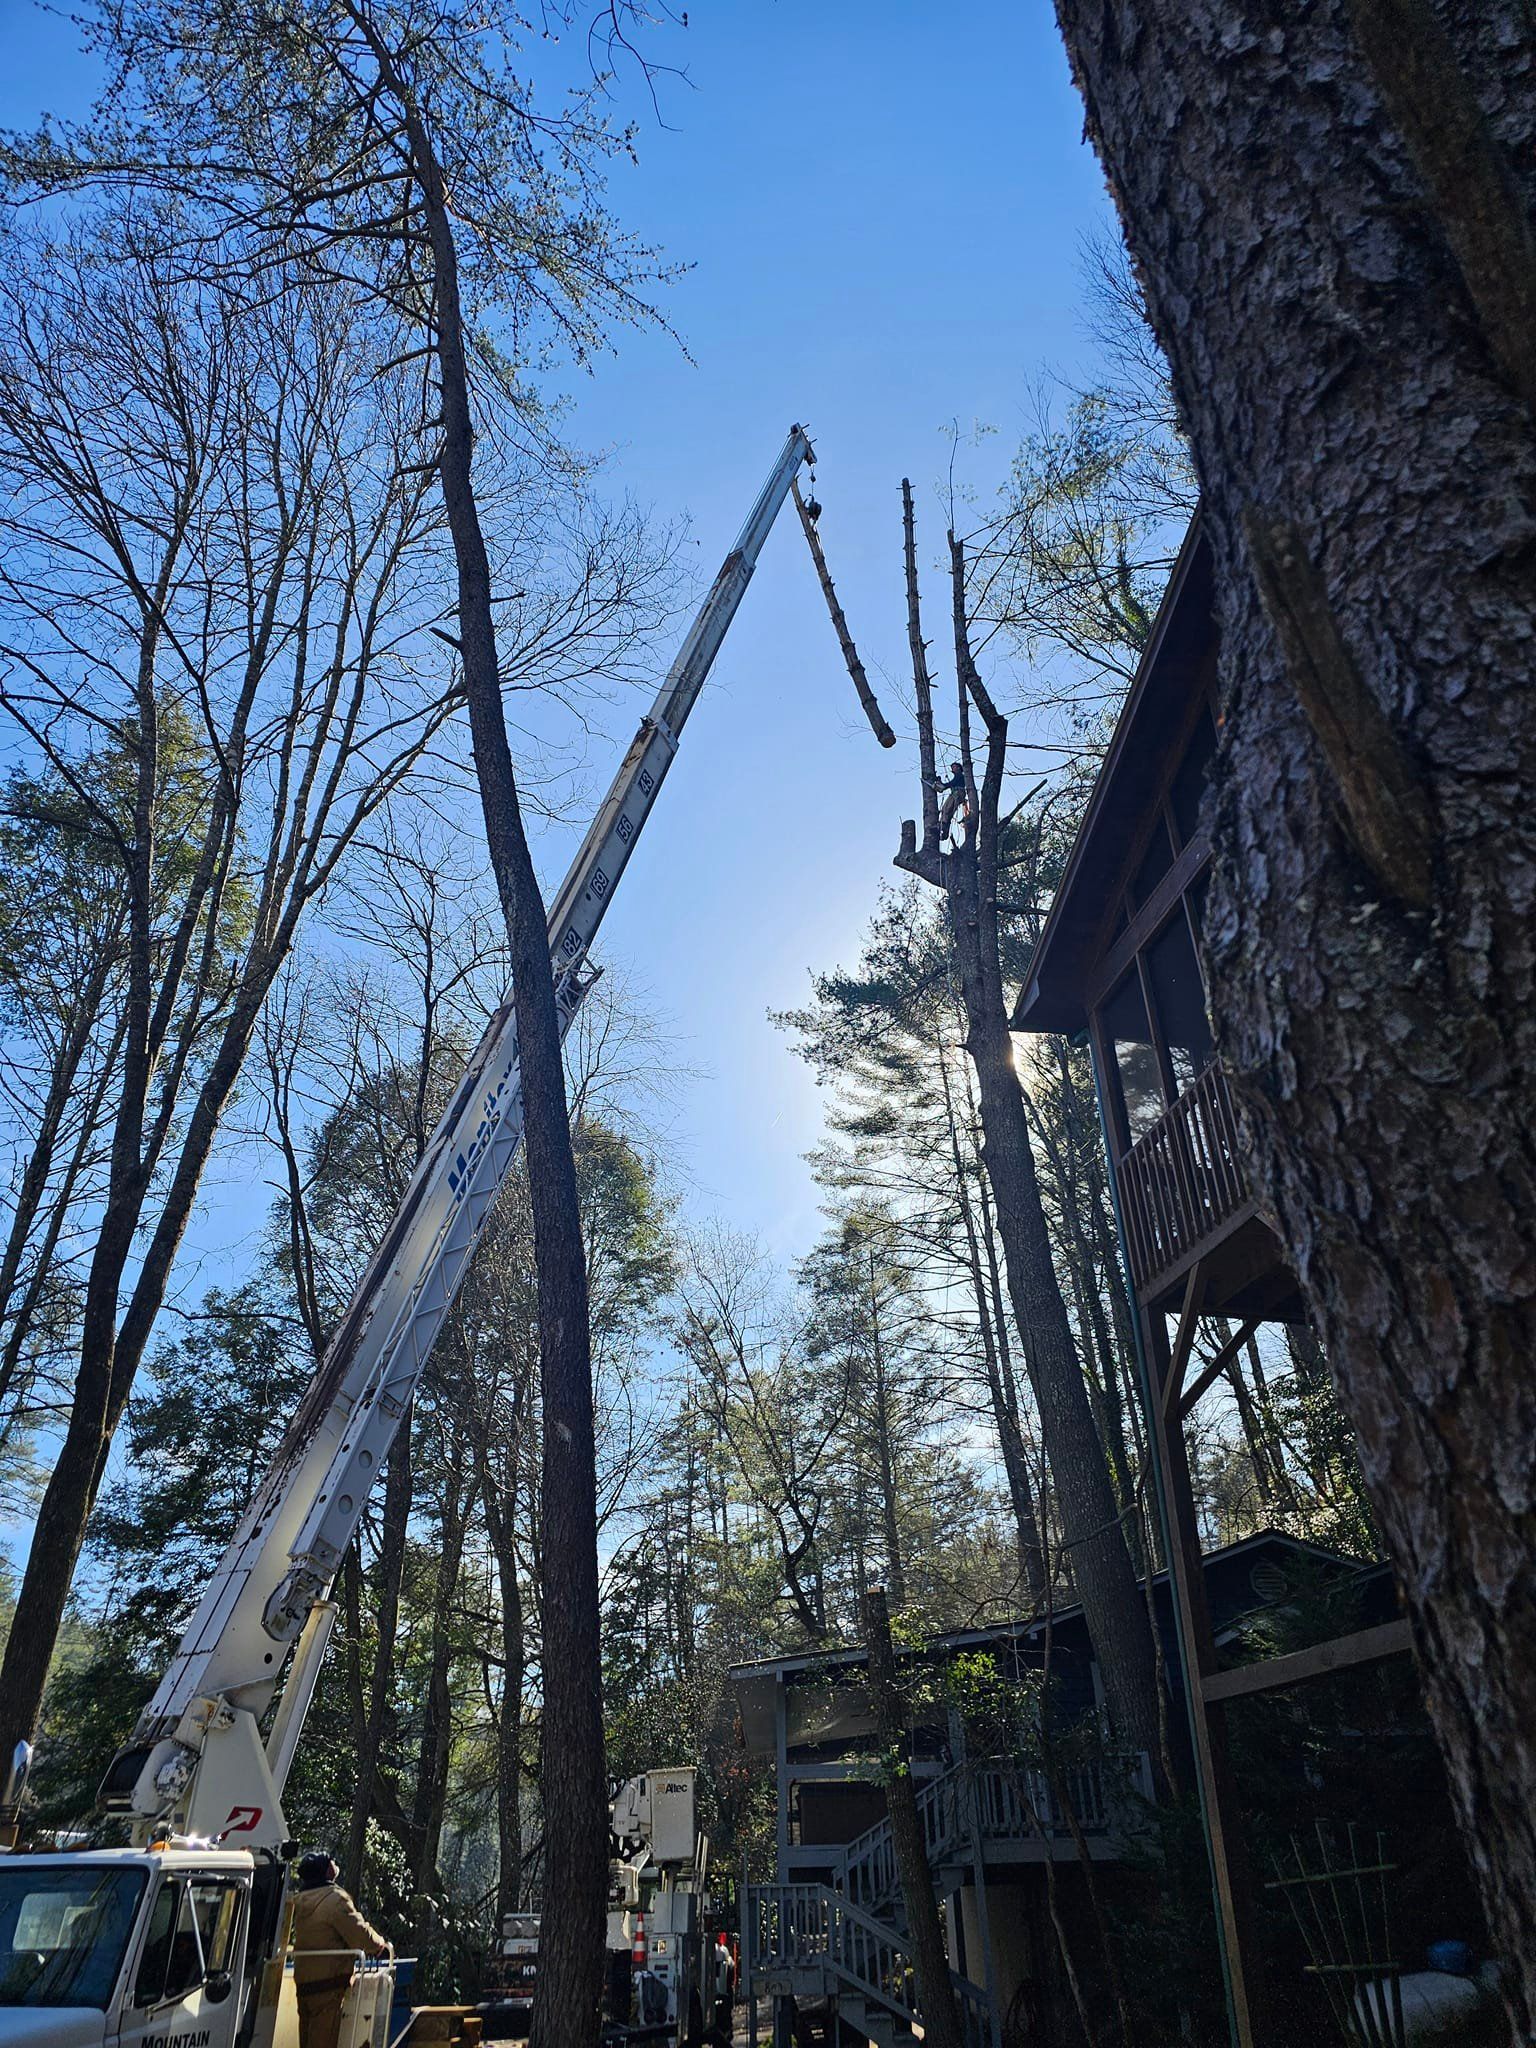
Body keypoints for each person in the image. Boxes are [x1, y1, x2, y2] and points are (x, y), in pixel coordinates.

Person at [290, 1851, 389, 2048]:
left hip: (304, 1982)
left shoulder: (300, 1900)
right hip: (329, 1985)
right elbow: (359, 1933)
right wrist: (379, 1946)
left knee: (307, 2038)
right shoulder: (335, 1900)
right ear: (327, 1871)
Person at [937, 761, 967, 841]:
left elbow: (952, 783)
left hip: (957, 794)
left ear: (958, 768)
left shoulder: (959, 775)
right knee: (948, 812)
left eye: (954, 767)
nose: (952, 769)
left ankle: (943, 825)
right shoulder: (958, 776)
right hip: (956, 794)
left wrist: (943, 785)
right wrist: (942, 785)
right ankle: (944, 829)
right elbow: (951, 784)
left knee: (946, 809)